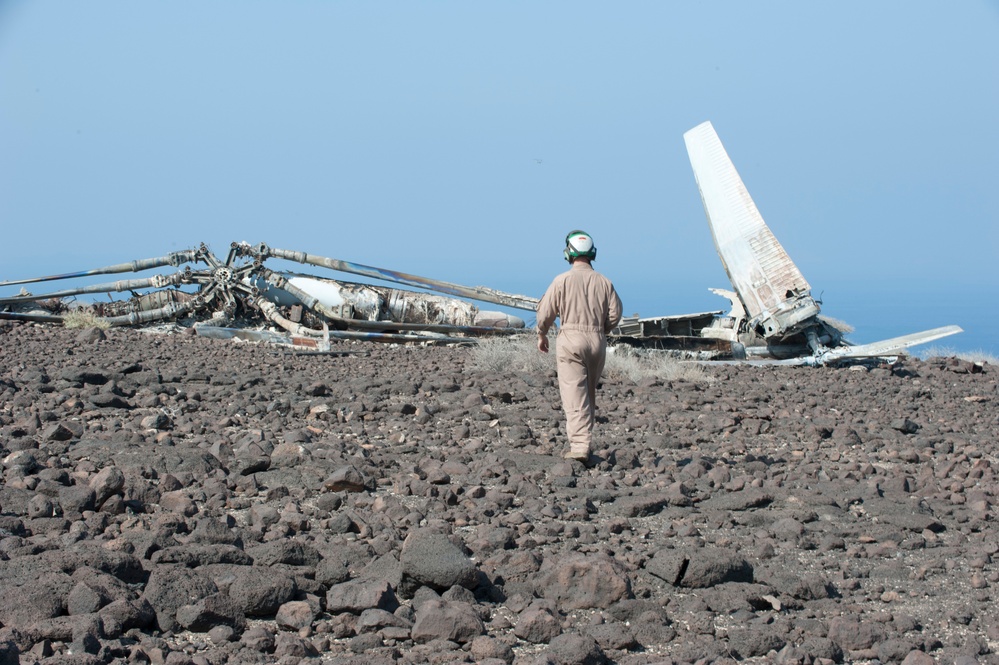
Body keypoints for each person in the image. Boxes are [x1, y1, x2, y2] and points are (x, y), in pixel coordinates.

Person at [536, 230, 623, 463]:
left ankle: (580, 446)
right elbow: (616, 313)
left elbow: (545, 312)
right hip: (596, 339)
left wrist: (541, 334)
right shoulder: (605, 282)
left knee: (574, 394)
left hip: (570, 337)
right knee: (588, 392)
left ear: (569, 253)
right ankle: (585, 439)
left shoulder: (561, 280)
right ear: (592, 253)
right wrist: (602, 330)